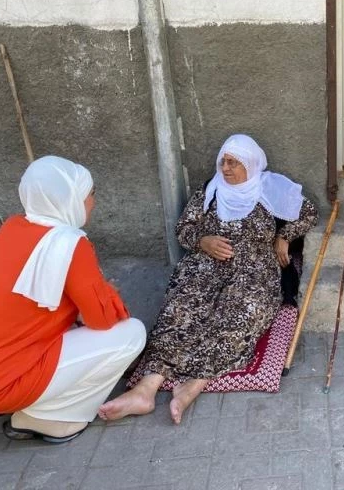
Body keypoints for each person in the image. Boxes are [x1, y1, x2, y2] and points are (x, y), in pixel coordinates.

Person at [99, 134, 318, 424]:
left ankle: (194, 384)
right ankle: (146, 388)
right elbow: (184, 228)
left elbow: (308, 213)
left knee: (241, 314)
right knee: (179, 311)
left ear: (250, 164)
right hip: (205, 266)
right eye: (222, 161)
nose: (225, 168)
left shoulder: (271, 188)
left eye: (233, 163)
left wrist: (284, 236)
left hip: (253, 270)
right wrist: (203, 241)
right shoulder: (210, 190)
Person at [0, 156, 146, 443]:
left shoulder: (12, 227)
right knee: (132, 333)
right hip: (0, 384)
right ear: (70, 199)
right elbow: (103, 319)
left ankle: (20, 402)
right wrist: (105, 291)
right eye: (91, 194)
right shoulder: (70, 244)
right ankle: (46, 417)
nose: (93, 202)